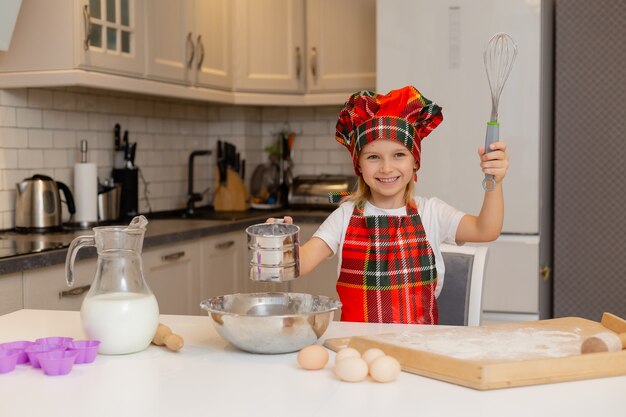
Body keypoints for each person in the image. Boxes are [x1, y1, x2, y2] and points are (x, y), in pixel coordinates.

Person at [272, 86, 509, 324]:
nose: (386, 168)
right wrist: (279, 242)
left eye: (398, 155)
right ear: (359, 166)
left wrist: (495, 181)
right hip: (359, 346)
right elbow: (299, 266)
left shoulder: (431, 213)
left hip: (418, 346)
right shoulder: (345, 216)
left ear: (415, 162)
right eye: (373, 157)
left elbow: (485, 230)